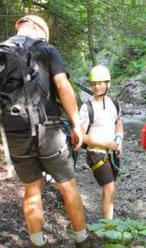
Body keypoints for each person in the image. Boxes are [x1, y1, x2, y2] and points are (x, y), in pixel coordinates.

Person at [0, 15, 93, 247]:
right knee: (67, 184)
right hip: (48, 129)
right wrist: (76, 124)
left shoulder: (2, 51)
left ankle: (37, 242)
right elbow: (62, 86)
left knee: (31, 189)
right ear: (38, 29)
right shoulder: (46, 49)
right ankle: (82, 239)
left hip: (15, 132)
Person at [79, 65, 123, 220]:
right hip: (95, 153)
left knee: (110, 188)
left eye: (100, 83)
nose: (96, 86)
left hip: (112, 152)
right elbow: (81, 137)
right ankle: (107, 226)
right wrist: (106, 144)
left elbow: (118, 124)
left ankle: (107, 221)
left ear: (107, 84)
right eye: (94, 83)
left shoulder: (114, 104)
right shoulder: (87, 108)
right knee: (109, 188)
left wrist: (119, 140)